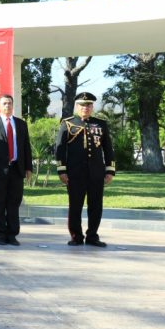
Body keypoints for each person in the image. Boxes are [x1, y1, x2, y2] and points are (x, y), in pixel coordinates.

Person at [55, 92, 115, 247]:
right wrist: (62, 170)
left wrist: (110, 170)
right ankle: (76, 236)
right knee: (75, 205)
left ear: (92, 107)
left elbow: (108, 149)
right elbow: (59, 149)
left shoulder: (100, 124)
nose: (85, 108)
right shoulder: (68, 123)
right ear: (77, 106)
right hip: (75, 173)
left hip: (96, 173)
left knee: (96, 206)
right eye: (82, 105)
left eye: (88, 105)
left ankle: (92, 236)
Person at [0, 95, 33, 246]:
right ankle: (1, 235)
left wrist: (28, 167)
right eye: (4, 103)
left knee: (14, 203)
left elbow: (26, 147)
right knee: (0, 202)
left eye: (10, 103)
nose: (7, 106)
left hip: (17, 169)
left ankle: (12, 234)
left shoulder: (21, 124)